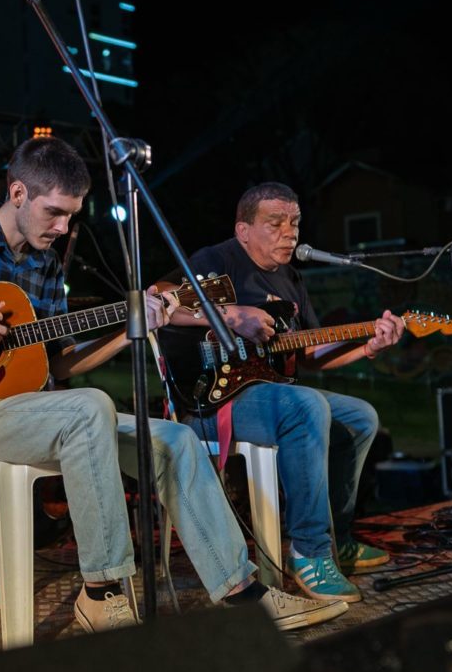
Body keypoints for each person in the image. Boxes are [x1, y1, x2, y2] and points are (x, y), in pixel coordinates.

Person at [0, 138, 346, 632]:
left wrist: (128, 332)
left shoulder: (46, 264)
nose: (63, 226)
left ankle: (241, 593)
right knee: (88, 409)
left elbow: (61, 366)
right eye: (54, 212)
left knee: (176, 440)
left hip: (31, 413)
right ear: (17, 193)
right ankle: (103, 592)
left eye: (72, 215)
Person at [169, 182, 405, 603]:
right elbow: (160, 302)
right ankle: (310, 552)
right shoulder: (217, 260)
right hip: (216, 399)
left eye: (294, 223)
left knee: (361, 416)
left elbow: (311, 353)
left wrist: (368, 344)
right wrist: (233, 314)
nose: (289, 233)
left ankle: (338, 540)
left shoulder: (291, 277)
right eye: (275, 224)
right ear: (244, 230)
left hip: (274, 395)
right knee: (307, 403)